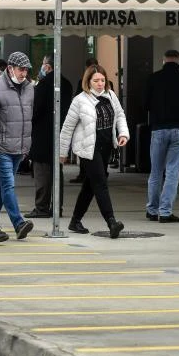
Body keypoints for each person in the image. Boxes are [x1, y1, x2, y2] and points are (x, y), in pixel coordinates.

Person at [59, 64, 130, 238]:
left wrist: (123, 133)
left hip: (106, 147)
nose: (100, 83)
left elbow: (120, 115)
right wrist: (62, 153)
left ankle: (75, 220)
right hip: (88, 149)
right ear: (88, 81)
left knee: (90, 185)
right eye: (96, 80)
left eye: (102, 80)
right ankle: (111, 222)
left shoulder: (111, 95)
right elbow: (67, 127)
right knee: (100, 183)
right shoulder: (80, 100)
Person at [0, 51, 36, 242]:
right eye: (21, 69)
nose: (24, 73)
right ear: (10, 68)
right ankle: (18, 223)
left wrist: (27, 145)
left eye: (26, 70)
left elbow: (28, 118)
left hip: (19, 146)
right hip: (0, 145)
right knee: (8, 184)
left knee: (2, 185)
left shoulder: (29, 88)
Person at [144, 49, 179, 223]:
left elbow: (145, 103)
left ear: (163, 60)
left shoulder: (153, 78)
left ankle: (152, 210)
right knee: (172, 172)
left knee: (155, 172)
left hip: (158, 128)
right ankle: (165, 212)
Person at [27, 56, 73, 218]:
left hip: (42, 136)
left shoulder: (43, 84)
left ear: (48, 67)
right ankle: (57, 207)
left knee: (42, 174)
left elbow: (35, 110)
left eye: (43, 65)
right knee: (57, 173)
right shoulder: (66, 84)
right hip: (60, 133)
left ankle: (42, 207)